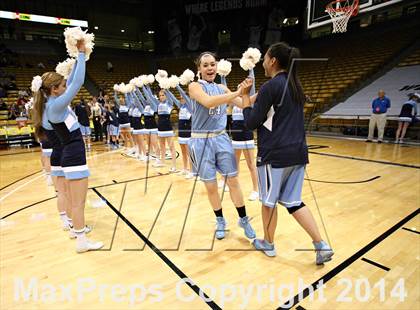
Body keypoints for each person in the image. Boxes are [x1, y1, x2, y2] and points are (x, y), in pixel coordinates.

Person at [240, 42, 333, 265]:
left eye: (265, 58)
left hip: (275, 154)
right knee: (293, 202)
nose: (263, 62)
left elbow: (251, 122)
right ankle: (321, 245)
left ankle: (268, 243)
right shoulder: (295, 85)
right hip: (298, 152)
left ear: (272, 61)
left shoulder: (270, 87)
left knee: (268, 202)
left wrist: (244, 98)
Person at [33, 40, 103, 253]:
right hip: (73, 155)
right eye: (62, 86)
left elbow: (72, 79)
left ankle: (76, 231)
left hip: (68, 156)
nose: (66, 88)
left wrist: (75, 59)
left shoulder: (48, 103)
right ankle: (82, 242)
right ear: (54, 90)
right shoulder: (57, 105)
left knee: (73, 200)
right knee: (78, 203)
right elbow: (78, 81)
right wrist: (81, 54)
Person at [188, 51, 255, 240]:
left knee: (233, 181)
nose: (210, 68)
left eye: (212, 64)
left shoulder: (222, 88)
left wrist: (252, 85)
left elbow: (243, 103)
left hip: (221, 138)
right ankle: (220, 220)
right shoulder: (194, 86)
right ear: (199, 69)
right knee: (211, 187)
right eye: (206, 65)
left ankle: (243, 219)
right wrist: (237, 92)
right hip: (200, 141)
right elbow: (209, 103)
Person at [220, 72, 258, 201]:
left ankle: (256, 190)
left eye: (242, 87)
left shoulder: (249, 101)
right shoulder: (234, 103)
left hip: (246, 135)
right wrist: (223, 76)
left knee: (251, 164)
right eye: (238, 88)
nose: (239, 89)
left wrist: (251, 67)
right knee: (234, 163)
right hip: (235, 136)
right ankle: (233, 185)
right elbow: (226, 93)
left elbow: (252, 81)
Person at [165, 86, 194, 178]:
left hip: (188, 133)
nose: (181, 99)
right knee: (183, 152)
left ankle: (192, 171)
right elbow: (173, 98)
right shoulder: (181, 107)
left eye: (183, 97)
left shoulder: (190, 106)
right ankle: (185, 168)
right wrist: (167, 90)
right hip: (181, 132)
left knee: (189, 153)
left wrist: (177, 86)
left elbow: (186, 97)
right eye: (180, 98)